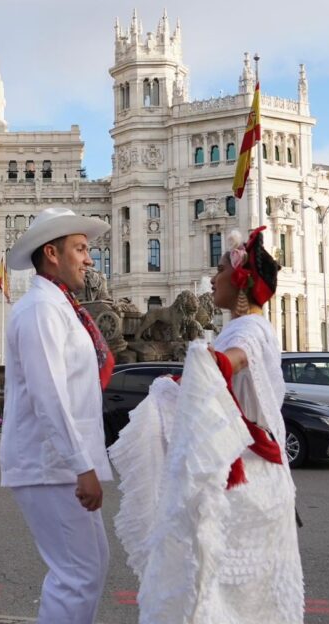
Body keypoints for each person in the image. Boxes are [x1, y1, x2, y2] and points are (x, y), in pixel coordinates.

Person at [109, 227, 304, 623]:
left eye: (220, 270)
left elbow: (236, 359)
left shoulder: (249, 329)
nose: (212, 278)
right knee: (230, 585)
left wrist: (211, 362)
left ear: (242, 281)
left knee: (224, 582)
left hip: (244, 474)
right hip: (247, 469)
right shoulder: (243, 325)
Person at [0, 207, 113, 624]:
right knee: (77, 573)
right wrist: (80, 465)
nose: (89, 258)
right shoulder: (40, 311)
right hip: (50, 465)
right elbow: (49, 394)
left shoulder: (60, 307)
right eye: (80, 249)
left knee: (90, 566)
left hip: (59, 463)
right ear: (52, 253)